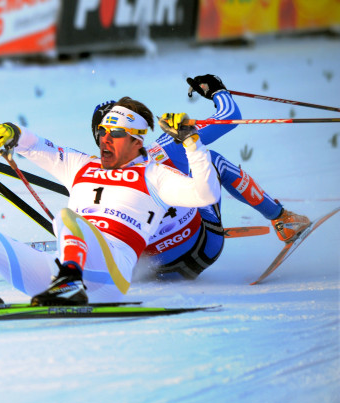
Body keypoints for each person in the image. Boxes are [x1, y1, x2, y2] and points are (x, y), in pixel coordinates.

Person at [0, 97, 221, 306]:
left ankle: (71, 282)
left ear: (136, 141)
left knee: (68, 218)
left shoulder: (155, 174)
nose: (105, 139)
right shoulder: (81, 165)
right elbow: (36, 146)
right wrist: (14, 133)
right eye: (103, 131)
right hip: (61, 270)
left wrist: (192, 144)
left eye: (115, 134)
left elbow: (206, 194)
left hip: (110, 275)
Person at [93, 74, 310, 280]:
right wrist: (217, 91)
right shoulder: (166, 145)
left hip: (155, 271)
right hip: (204, 247)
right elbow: (230, 116)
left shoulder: (89, 174)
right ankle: (282, 218)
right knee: (209, 160)